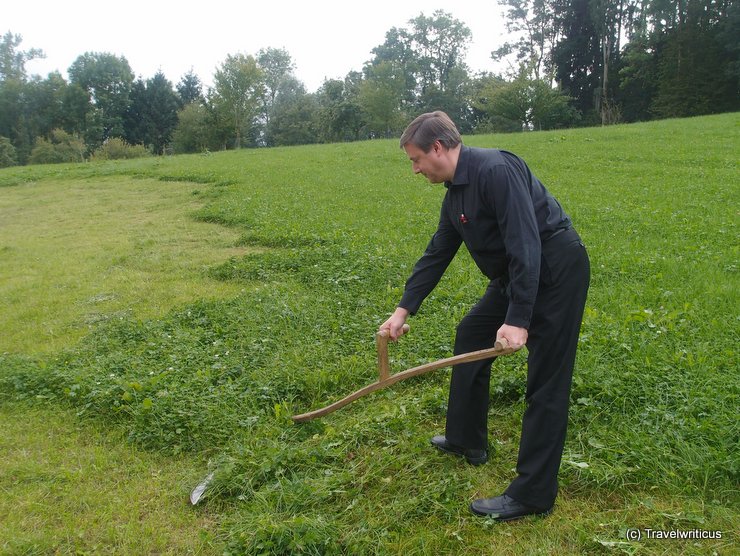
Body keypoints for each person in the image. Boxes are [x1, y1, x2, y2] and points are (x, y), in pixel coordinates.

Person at [379, 111, 590, 521]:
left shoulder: (495, 170)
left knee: (546, 380)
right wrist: (403, 310)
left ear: (437, 148)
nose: (415, 168)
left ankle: (533, 494)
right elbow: (438, 252)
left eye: (415, 159)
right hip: (517, 272)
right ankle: (466, 439)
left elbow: (526, 243)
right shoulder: (456, 192)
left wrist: (519, 319)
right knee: (472, 332)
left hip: (555, 270)